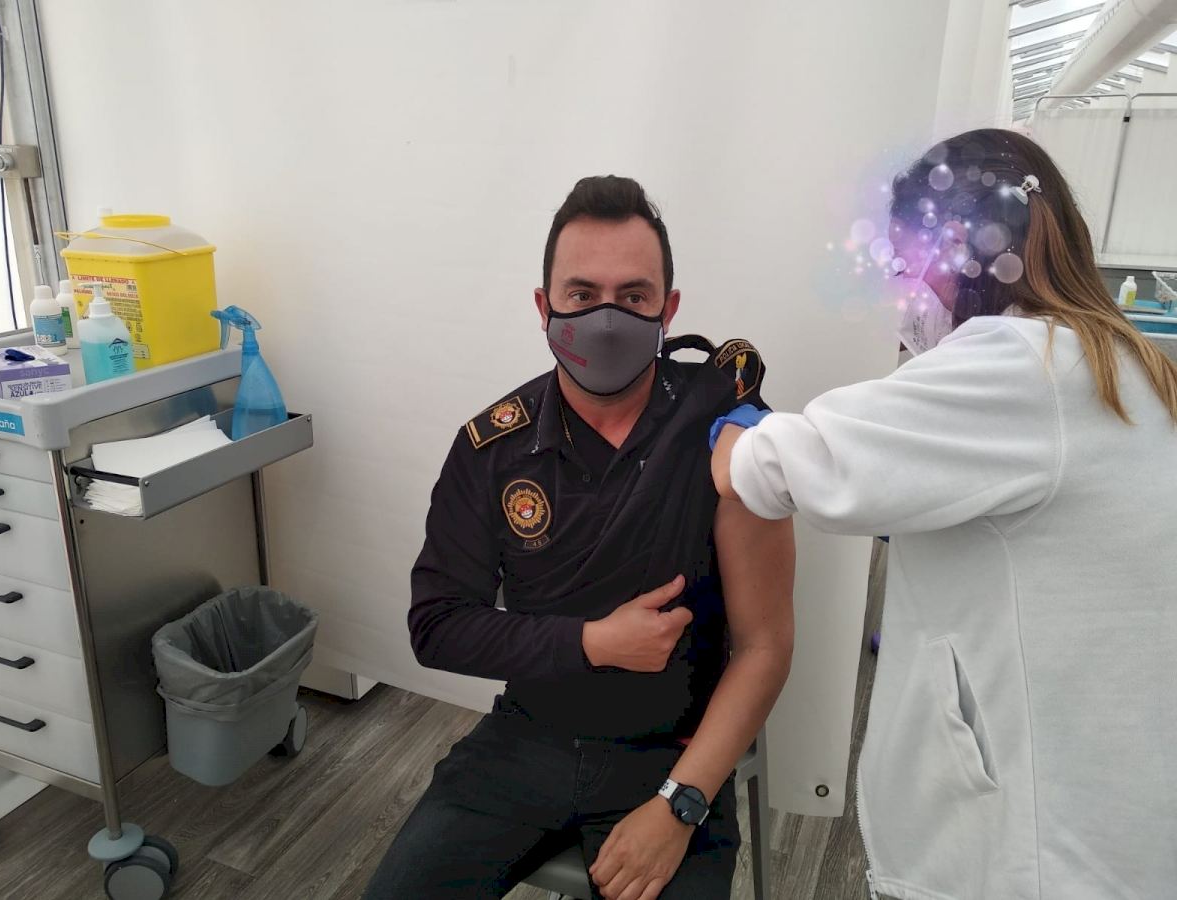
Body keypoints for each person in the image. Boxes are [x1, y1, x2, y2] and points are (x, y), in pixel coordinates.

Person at [711, 128, 1177, 900]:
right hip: (1115, 813)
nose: (907, 295)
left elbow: (784, 467)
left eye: (910, 265)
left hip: (1033, 855)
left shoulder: (1021, 365)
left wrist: (729, 430)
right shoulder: (1127, 364)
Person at [365, 176, 796, 900]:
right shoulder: (491, 449)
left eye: (633, 296)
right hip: (524, 738)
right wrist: (593, 642)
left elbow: (765, 646)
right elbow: (436, 628)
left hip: (672, 754)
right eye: (581, 293)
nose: (606, 319)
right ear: (544, 306)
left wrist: (679, 804)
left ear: (668, 309)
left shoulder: (725, 432)